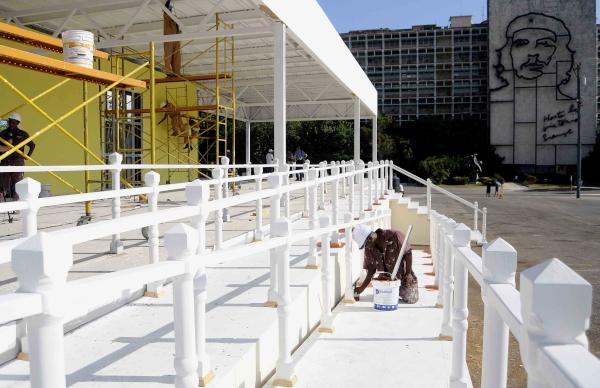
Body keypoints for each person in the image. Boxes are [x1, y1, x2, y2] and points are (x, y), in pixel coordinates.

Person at [352, 224, 418, 304]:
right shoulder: (369, 249)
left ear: (371, 238)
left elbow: (408, 253)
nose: (366, 247)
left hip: (403, 278)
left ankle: (402, 289)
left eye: (366, 244)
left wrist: (408, 274)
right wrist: (361, 289)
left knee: (411, 299)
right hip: (385, 281)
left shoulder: (395, 235)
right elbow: (371, 271)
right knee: (384, 300)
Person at [0, 113, 35, 200]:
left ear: (18, 123)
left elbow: (32, 145)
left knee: (17, 183)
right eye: (10, 122)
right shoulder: (3, 133)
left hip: (17, 161)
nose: (11, 124)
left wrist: (27, 156)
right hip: (5, 161)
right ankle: (6, 205)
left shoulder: (23, 134)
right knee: (4, 183)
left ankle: (16, 204)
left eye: (14, 123)